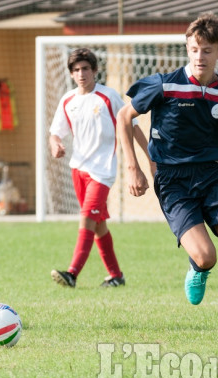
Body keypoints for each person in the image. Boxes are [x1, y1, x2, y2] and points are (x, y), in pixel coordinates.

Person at [117, 13, 218, 339]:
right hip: (174, 181)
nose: (199, 56)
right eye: (193, 49)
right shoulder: (164, 85)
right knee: (206, 255)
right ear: (187, 49)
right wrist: (134, 166)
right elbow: (124, 117)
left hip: (217, 175)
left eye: (206, 50)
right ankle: (198, 267)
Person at [49, 48, 151, 288]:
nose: (81, 74)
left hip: (102, 173)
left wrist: (150, 158)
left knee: (86, 219)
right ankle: (116, 276)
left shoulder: (109, 96)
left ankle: (72, 274)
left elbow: (133, 126)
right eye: (76, 70)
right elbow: (55, 132)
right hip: (78, 171)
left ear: (95, 70)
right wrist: (55, 144)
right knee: (98, 226)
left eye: (85, 68)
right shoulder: (68, 100)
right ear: (71, 74)